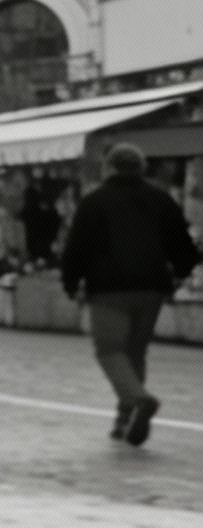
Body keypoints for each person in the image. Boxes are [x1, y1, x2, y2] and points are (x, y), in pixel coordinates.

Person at [60, 142, 199, 447]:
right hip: (151, 290)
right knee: (135, 353)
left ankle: (138, 400)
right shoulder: (161, 199)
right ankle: (124, 419)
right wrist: (177, 275)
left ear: (109, 168)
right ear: (142, 168)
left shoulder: (94, 201)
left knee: (110, 350)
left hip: (108, 289)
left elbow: (76, 248)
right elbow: (185, 249)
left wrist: (70, 282)